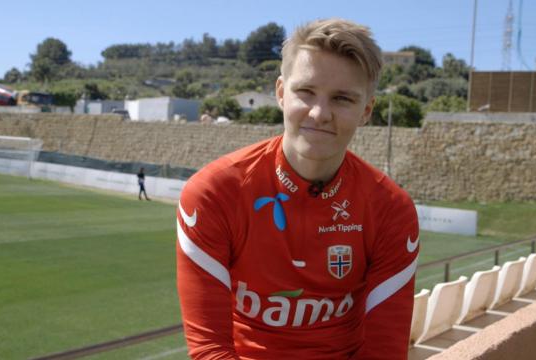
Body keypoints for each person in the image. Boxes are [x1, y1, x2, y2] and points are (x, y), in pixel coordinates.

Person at [176, 18, 419, 359]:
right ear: (280, 92)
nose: (320, 113)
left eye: (342, 99)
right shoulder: (213, 193)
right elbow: (210, 350)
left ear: (366, 110)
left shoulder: (391, 209)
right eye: (306, 92)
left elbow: (384, 353)